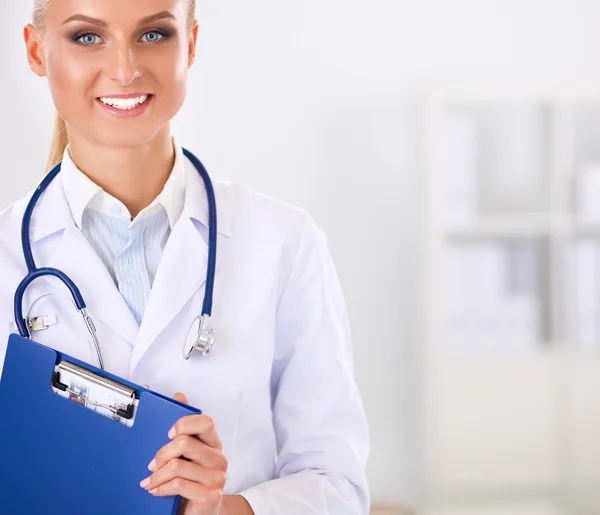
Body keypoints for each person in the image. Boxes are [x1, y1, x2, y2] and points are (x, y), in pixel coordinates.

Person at [0, 1, 370, 514]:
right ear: (37, 50)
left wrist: (222, 510)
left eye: (153, 35)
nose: (126, 69)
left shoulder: (283, 242)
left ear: (190, 44)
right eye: (87, 38)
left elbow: (339, 486)